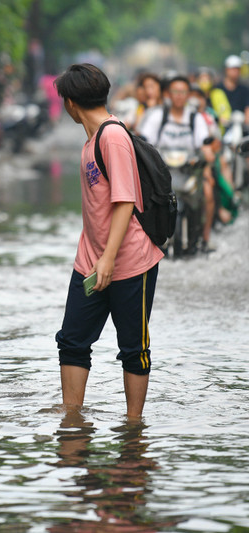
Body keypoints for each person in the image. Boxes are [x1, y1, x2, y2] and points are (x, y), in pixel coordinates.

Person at [53, 63, 164, 419]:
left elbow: (125, 201)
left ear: (70, 103)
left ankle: (134, 428)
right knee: (71, 341)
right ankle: (72, 420)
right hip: (91, 260)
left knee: (133, 348)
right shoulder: (91, 140)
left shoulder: (112, 136)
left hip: (130, 262)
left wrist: (109, 258)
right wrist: (95, 257)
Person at [139, 75, 216, 250]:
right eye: (175, 92)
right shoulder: (158, 116)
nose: (179, 96)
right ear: (168, 94)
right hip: (163, 175)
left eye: (183, 92)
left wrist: (207, 154)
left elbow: (204, 143)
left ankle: (205, 238)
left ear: (188, 95)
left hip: (189, 172)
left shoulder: (196, 119)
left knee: (208, 193)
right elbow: (144, 141)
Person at [211, 55, 249, 129]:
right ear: (226, 70)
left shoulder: (244, 90)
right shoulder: (217, 89)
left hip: (241, 127)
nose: (235, 71)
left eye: (237, 69)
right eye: (232, 69)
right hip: (221, 129)